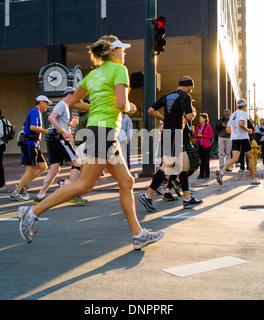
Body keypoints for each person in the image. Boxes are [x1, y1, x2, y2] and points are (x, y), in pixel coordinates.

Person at [17, 35, 164, 250]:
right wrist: (130, 108)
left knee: (127, 182)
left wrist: (96, 107)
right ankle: (31, 213)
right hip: (104, 131)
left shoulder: (92, 75)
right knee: (84, 185)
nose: (124, 52)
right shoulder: (119, 70)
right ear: (112, 51)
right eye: (121, 49)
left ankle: (138, 234)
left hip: (99, 129)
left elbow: (75, 102)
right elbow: (122, 103)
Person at [139, 76, 201, 212]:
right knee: (167, 165)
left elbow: (151, 110)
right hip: (175, 133)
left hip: (168, 132)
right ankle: (147, 196)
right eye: (191, 87)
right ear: (187, 86)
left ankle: (187, 199)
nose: (191, 90)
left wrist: (165, 119)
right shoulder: (185, 96)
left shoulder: (167, 96)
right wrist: (194, 113)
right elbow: (190, 117)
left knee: (184, 165)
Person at [33, 86, 87, 205]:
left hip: (54, 139)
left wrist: (70, 124)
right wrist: (64, 132)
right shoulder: (62, 105)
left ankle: (40, 196)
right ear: (69, 95)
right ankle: (74, 194)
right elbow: (51, 118)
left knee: (54, 169)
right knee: (77, 164)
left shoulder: (65, 107)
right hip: (59, 139)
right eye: (75, 95)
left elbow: (59, 122)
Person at [10, 95, 52, 201]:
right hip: (29, 144)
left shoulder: (35, 112)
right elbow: (32, 127)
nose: (48, 105)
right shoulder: (35, 112)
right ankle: (16, 192)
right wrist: (46, 130)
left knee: (43, 166)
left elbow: (25, 126)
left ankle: (22, 184)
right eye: (47, 103)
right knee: (30, 170)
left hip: (34, 144)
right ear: (41, 102)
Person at [215, 99, 260, 186]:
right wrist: (248, 130)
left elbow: (228, 129)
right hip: (243, 138)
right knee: (250, 158)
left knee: (235, 159)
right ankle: (253, 179)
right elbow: (240, 124)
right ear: (245, 106)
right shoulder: (243, 113)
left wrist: (235, 131)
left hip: (235, 138)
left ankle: (221, 171)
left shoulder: (232, 115)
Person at [195, 113, 213, 180]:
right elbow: (195, 135)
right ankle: (201, 174)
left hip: (206, 146)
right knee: (201, 161)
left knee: (206, 160)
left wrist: (202, 135)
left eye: (201, 118)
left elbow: (211, 136)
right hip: (200, 145)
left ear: (205, 119)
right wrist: (198, 135)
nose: (200, 119)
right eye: (199, 118)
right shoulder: (198, 126)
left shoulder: (208, 126)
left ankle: (207, 175)